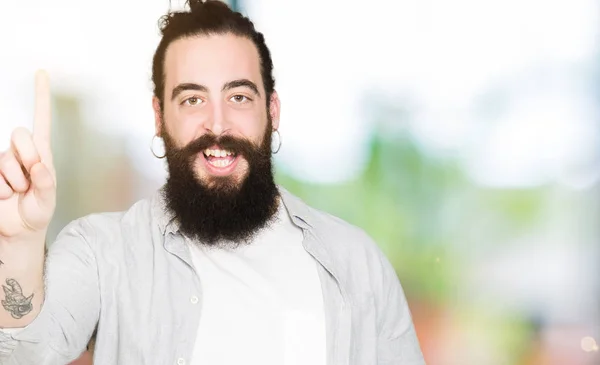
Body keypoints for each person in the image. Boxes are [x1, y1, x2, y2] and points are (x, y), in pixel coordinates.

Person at [0, 1, 425, 364]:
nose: (217, 124)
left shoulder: (358, 264)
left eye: (238, 97)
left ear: (272, 112)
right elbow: (21, 354)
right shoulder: (102, 252)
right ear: (159, 117)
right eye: (192, 99)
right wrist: (18, 242)